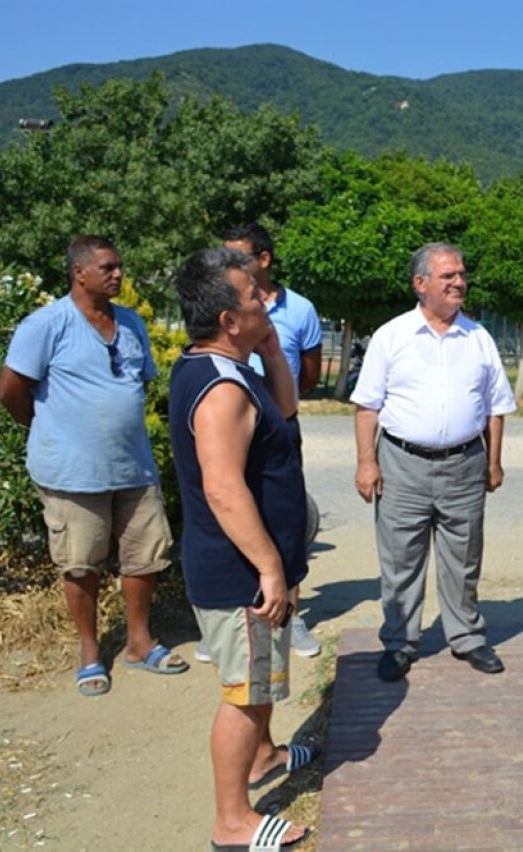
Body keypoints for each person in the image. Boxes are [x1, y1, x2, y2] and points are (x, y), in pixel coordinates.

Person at [0, 235, 187, 698]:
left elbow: (137, 385)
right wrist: (48, 430)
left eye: (119, 266)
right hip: (71, 474)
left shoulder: (131, 323)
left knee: (145, 555)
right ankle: (89, 651)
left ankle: (140, 642)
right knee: (81, 563)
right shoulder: (46, 325)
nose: (118, 274)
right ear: (79, 272)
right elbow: (10, 390)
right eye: (108, 267)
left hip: (133, 468)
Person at [168, 246, 313, 850]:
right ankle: (233, 820)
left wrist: (274, 351)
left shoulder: (231, 368)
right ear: (229, 319)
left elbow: (284, 411)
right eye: (255, 297)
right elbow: (224, 490)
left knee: (260, 680)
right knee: (245, 693)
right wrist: (270, 567)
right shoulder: (220, 389)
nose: (266, 300)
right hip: (241, 572)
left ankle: (264, 757)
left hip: (251, 565)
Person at [352, 242, 516, 681]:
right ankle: (401, 642)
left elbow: (495, 407)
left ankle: (467, 637)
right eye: (448, 277)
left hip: (465, 462)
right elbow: (367, 406)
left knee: (463, 556)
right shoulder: (392, 336)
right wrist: (366, 463)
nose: (459, 282)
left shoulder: (478, 337)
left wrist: (493, 462)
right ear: (420, 284)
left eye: (461, 274)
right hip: (402, 462)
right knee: (401, 559)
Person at [219, 222, 323, 659]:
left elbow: (312, 372)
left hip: (280, 425)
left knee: (285, 518)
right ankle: (231, 615)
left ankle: (291, 616)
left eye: (237, 257)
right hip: (230, 427)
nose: (228, 266)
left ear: (263, 260)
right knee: (232, 510)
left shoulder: (300, 310)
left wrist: (281, 400)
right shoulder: (221, 307)